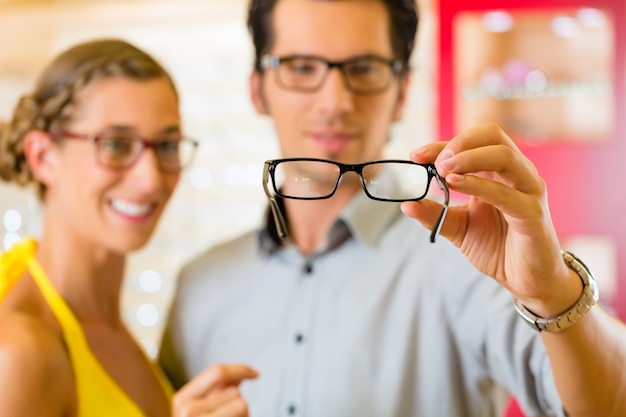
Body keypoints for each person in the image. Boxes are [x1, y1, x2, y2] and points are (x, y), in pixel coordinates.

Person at [159, 1, 626, 416]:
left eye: (364, 68)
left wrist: (553, 293)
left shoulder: (474, 264)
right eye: (301, 68)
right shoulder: (198, 285)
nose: (335, 102)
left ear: (402, 91)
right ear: (258, 89)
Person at [0, 39, 257, 417]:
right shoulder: (20, 351)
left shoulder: (113, 330)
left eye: (167, 145)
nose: (150, 179)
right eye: (116, 144)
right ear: (43, 157)